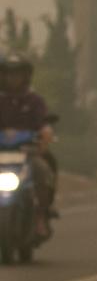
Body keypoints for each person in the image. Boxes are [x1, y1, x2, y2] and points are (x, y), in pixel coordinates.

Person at [0, 53, 57, 238]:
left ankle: (41, 215)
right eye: (8, 74)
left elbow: (43, 124)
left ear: (26, 76)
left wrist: (45, 133)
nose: (13, 78)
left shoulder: (35, 100)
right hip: (2, 153)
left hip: (28, 153)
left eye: (17, 74)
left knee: (44, 168)